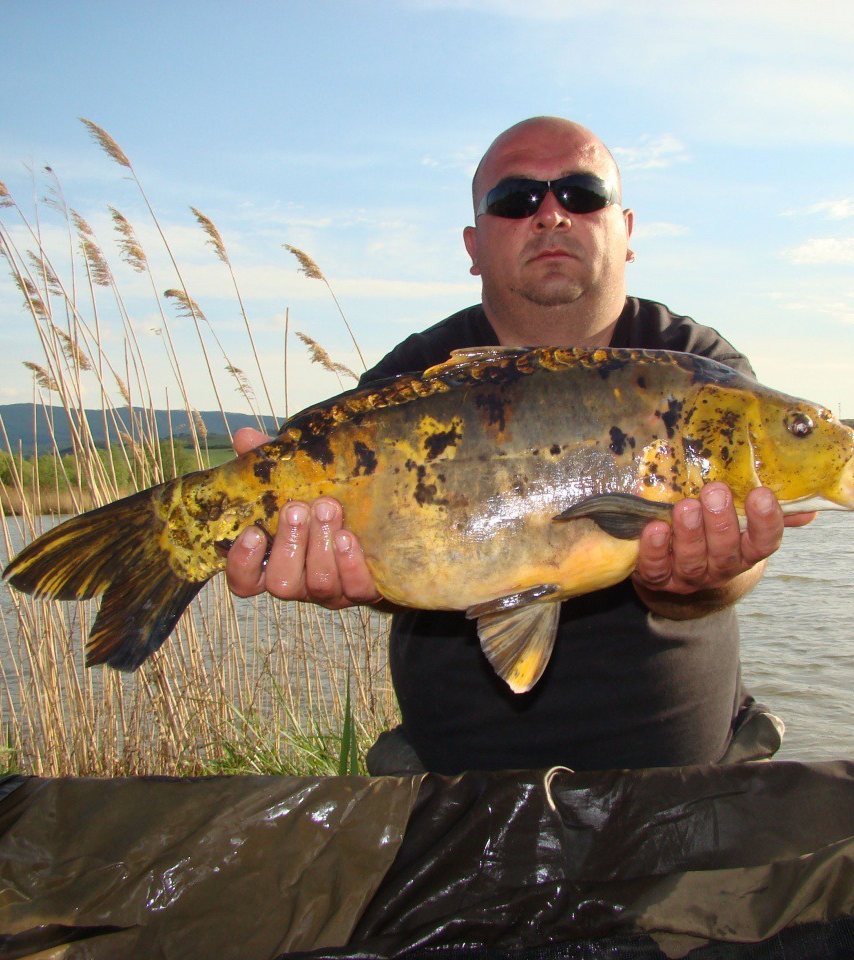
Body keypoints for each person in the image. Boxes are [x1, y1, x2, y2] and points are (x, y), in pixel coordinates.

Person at [225, 117, 814, 774]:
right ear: (474, 247)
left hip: (680, 777)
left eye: (583, 194)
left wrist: (708, 576)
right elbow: (390, 567)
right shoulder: (415, 378)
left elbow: (743, 560)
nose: (552, 216)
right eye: (517, 201)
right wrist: (347, 577)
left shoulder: (695, 369)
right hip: (451, 784)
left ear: (627, 231)